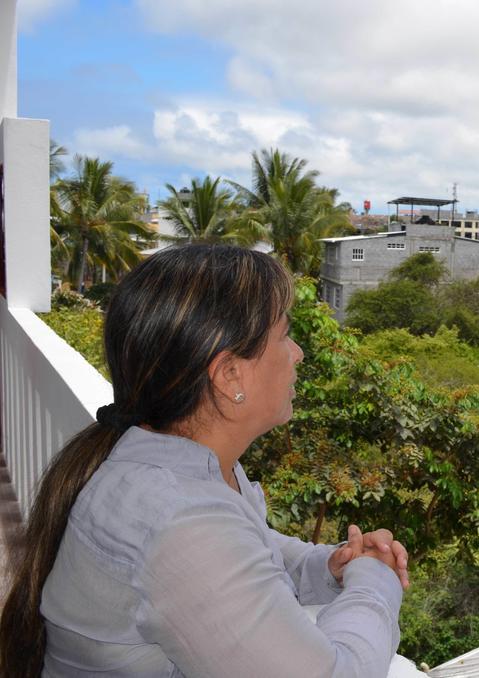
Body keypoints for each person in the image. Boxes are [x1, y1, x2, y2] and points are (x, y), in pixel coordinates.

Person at [0, 244, 421, 677]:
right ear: (229, 375)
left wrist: (330, 567)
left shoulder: (179, 465)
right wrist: (375, 578)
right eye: (284, 335)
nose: (297, 353)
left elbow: (254, 551)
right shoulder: (178, 518)